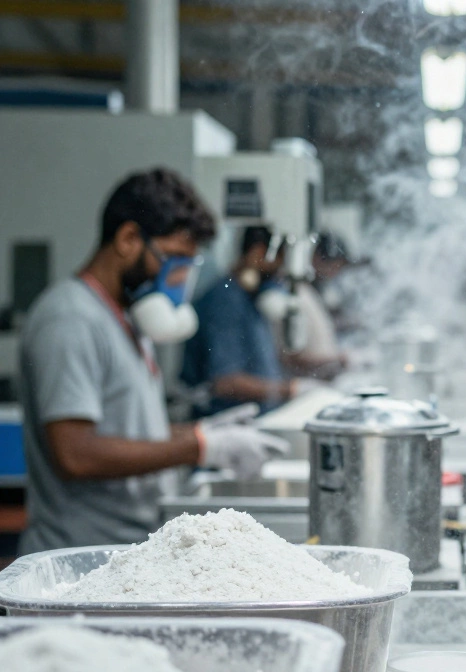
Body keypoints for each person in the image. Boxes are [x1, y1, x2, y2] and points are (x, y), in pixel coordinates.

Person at [17, 169, 289, 554]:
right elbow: (76, 454)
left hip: (124, 549)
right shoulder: (70, 319)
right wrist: (198, 447)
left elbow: (129, 433)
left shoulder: (127, 320)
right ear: (128, 239)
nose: (179, 278)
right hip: (80, 556)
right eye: (174, 259)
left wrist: (199, 432)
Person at [182, 225, 303, 417]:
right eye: (278, 264)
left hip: (261, 416)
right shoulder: (226, 300)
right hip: (229, 422)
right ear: (257, 254)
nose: (278, 275)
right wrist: (289, 390)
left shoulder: (252, 298)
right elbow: (225, 382)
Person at [280, 230, 350, 381]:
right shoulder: (296, 295)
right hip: (302, 384)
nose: (335, 272)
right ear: (316, 259)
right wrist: (339, 360)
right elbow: (291, 356)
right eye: (334, 265)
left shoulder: (314, 292)